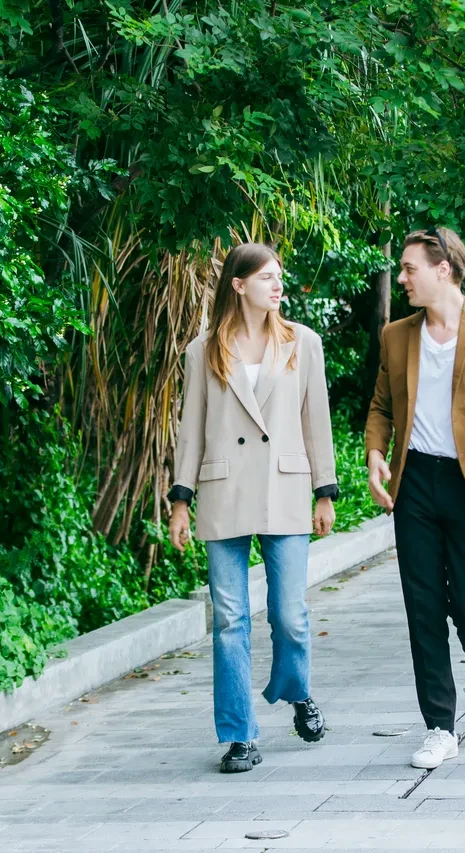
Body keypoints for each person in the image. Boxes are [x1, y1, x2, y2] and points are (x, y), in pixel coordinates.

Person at [168, 243, 339, 774]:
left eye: (279, 277)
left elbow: (318, 420)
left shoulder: (302, 343)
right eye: (266, 278)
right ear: (239, 285)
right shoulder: (204, 350)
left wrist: (326, 491)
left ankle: (298, 691)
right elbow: (190, 428)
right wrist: (180, 499)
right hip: (223, 494)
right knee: (230, 621)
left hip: (285, 489)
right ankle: (240, 734)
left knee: (289, 615)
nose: (276, 286)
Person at [364, 227, 465, 769]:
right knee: (423, 606)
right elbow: (381, 405)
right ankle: (439, 724)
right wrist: (374, 455)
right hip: (414, 484)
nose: (403, 277)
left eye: (410, 268)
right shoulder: (396, 334)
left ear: (444, 268)